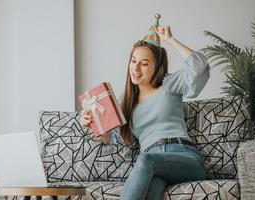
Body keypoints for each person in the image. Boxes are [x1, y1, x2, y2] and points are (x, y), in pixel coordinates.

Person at [81, 15, 210, 200]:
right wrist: (95, 126)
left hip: (184, 158)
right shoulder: (125, 101)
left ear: (157, 67)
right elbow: (119, 138)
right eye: (133, 61)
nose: (136, 68)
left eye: (144, 63)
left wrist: (170, 40)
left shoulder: (169, 84)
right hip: (154, 165)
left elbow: (200, 68)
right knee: (152, 188)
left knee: (146, 160)